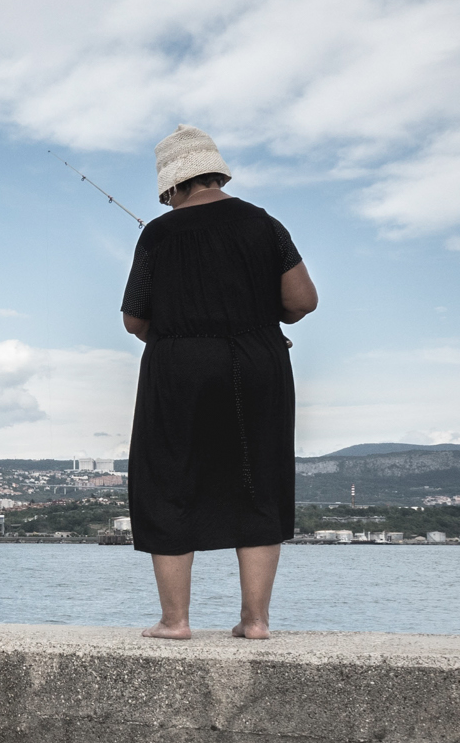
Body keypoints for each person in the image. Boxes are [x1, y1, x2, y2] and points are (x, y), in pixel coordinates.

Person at [119, 125, 318, 639]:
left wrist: (184, 331)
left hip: (178, 366)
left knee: (168, 479)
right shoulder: (263, 223)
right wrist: (252, 321)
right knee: (258, 478)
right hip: (258, 360)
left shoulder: (158, 234)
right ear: (215, 171)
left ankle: (175, 621)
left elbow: (134, 320)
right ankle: (255, 622)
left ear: (171, 185)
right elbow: (302, 301)